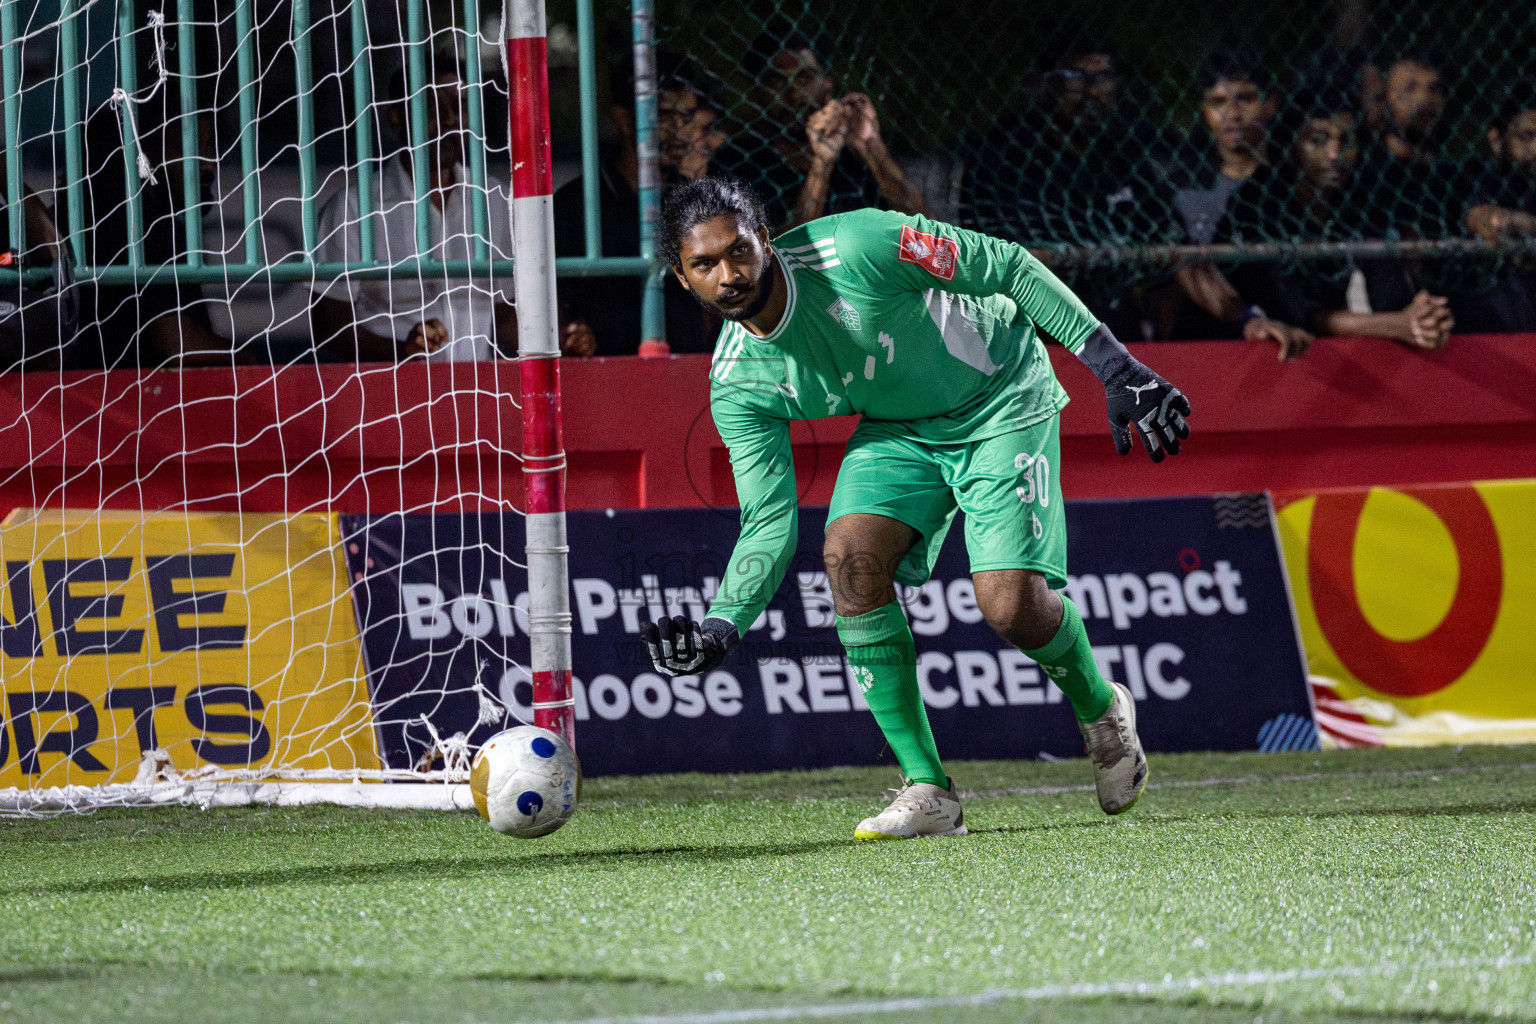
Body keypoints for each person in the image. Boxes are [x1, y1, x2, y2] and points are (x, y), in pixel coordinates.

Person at [642, 177, 1192, 839]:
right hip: (901, 427)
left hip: (999, 393)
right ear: (681, 276)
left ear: (768, 239)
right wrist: (721, 626)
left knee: (1009, 604)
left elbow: (1010, 265)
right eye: (705, 264)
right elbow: (768, 519)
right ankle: (929, 787)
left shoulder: (859, 244)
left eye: (739, 251)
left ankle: (1103, 713)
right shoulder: (738, 383)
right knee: (849, 561)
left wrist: (1113, 364)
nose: (728, 274)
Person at [309, 57, 539, 362]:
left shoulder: (495, 199)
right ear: (396, 118)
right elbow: (329, 326)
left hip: (476, 396)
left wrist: (558, 337)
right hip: (390, 397)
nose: (448, 120)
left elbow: (507, 314)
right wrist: (403, 351)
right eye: (431, 106)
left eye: (458, 106)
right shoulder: (352, 208)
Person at [958, 34, 1177, 342]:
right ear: (1048, 85)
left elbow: (1166, 265)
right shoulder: (1005, 153)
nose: (1091, 90)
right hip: (1031, 334)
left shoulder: (1123, 154)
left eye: (1102, 78)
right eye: (1075, 77)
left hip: (1113, 329)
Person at [1235, 85, 1454, 349]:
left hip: (1359, 338)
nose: (1335, 154)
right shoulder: (1260, 199)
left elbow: (1389, 293)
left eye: (1346, 140)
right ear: (1292, 143)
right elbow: (1297, 311)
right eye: (1318, 140)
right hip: (1273, 342)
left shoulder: (1362, 195)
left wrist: (1423, 316)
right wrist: (1398, 324)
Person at [553, 54, 727, 355]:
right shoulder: (576, 205)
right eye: (662, 116)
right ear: (623, 119)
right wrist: (569, 334)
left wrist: (698, 189)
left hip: (692, 371)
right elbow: (551, 300)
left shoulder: (697, 197)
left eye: (684, 116)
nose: (677, 130)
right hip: (606, 376)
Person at [711, 19, 929, 233]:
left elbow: (931, 238)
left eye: (805, 78)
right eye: (776, 82)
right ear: (757, 96)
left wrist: (872, 147)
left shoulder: (857, 159)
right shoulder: (736, 163)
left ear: (828, 85)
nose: (794, 93)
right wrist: (821, 164)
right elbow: (778, 261)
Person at [1163, 50, 1312, 357]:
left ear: (1270, 103)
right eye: (1218, 102)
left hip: (1293, 339)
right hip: (1204, 344)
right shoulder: (1182, 187)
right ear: (1204, 110)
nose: (1232, 113)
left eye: (1245, 99)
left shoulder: (1294, 182)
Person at [73, 101, 230, 369]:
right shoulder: (144, 223)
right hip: (128, 401)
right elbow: (176, 343)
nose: (209, 165)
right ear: (146, 156)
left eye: (210, 146)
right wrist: (245, 358)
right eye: (193, 149)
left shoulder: (90, 217)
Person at [1455, 79, 1536, 332]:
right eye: (1527, 137)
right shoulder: (1479, 173)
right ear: (1497, 140)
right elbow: (1488, 221)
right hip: (1496, 319)